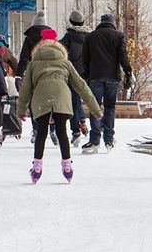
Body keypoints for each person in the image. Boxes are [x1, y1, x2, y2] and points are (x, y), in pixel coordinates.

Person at [17, 29, 102, 184]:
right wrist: (95, 109)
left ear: (41, 43)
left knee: (42, 132)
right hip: (62, 97)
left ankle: (37, 168)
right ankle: (67, 166)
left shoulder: (33, 63)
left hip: (41, 98)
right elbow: (81, 86)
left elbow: (25, 89)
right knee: (62, 131)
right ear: (57, 43)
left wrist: (21, 109)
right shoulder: (65, 62)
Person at [81, 13, 133, 152]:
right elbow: (123, 56)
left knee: (95, 107)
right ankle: (109, 140)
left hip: (95, 77)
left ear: (101, 22)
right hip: (113, 78)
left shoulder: (91, 37)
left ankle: (95, 140)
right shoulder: (119, 36)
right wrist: (128, 72)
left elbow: (85, 59)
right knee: (110, 108)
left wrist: (85, 76)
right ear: (112, 23)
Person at [59, 11, 90, 143]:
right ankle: (82, 122)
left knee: (73, 102)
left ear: (71, 22)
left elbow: (60, 50)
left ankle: (76, 130)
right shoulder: (90, 36)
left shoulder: (68, 37)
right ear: (83, 22)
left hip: (71, 73)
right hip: (86, 73)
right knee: (79, 100)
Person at [15, 10, 49, 77]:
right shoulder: (52, 38)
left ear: (34, 24)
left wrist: (18, 75)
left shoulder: (29, 38)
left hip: (34, 72)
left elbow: (24, 58)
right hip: (50, 71)